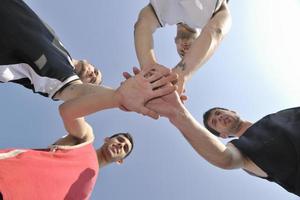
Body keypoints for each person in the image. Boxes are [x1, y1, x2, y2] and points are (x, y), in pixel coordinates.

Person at [0, 0, 179, 119]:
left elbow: (76, 92)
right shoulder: (59, 47)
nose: (93, 74)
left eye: (93, 80)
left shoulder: (59, 78)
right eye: (96, 72)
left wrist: (118, 96)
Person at [146, 92, 300, 197]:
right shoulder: (240, 148)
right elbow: (225, 158)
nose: (219, 117)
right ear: (222, 135)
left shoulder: (278, 116)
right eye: (214, 121)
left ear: (233, 111)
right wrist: (177, 114)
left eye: (219, 113)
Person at [0, 88, 135, 199]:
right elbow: (67, 111)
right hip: (6, 179)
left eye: (125, 148)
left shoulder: (84, 194)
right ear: (107, 139)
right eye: (120, 140)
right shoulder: (85, 140)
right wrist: (118, 98)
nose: (120, 145)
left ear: (120, 161)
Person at [134, 0, 232, 94]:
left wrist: (149, 70)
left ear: (175, 41)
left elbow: (142, 24)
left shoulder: (161, 13)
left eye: (181, 52)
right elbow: (216, 30)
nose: (185, 50)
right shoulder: (213, 14)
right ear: (199, 40)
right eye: (190, 52)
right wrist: (180, 76)